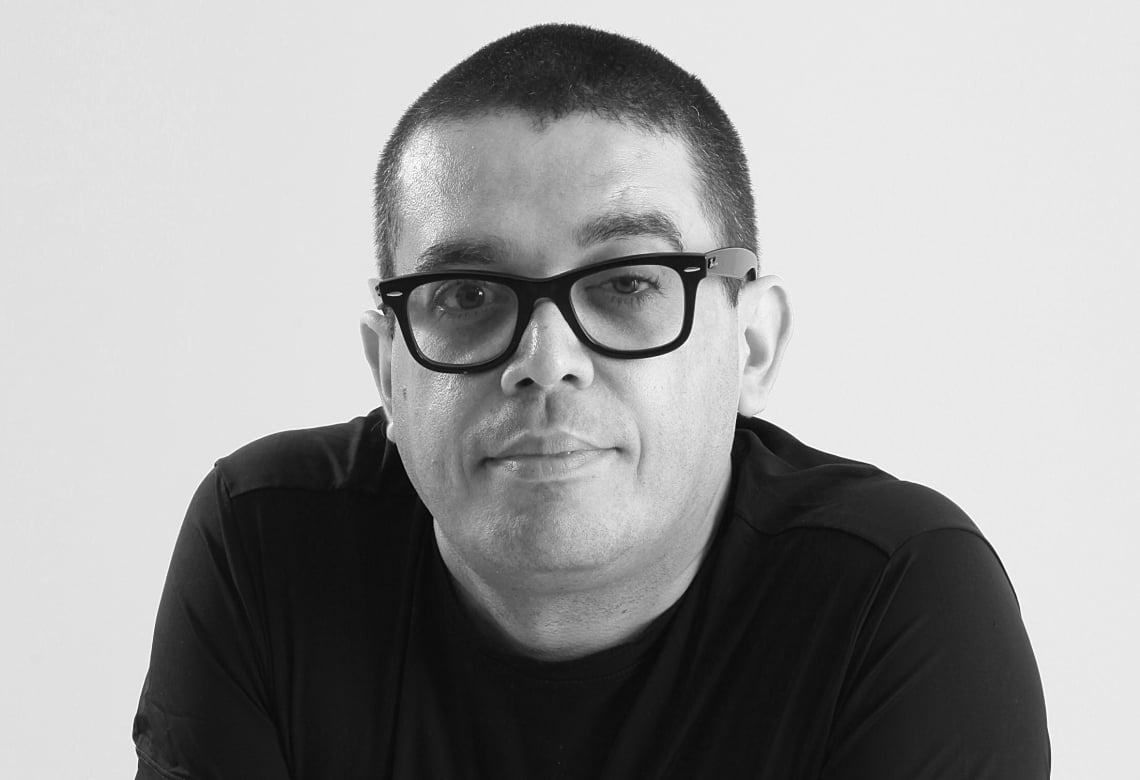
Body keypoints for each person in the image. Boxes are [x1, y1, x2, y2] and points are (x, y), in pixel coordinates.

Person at [132, 23, 1050, 779]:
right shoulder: (265, 545)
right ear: (388, 369)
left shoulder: (894, 597)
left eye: (627, 283)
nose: (545, 361)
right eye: (467, 294)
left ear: (753, 344)